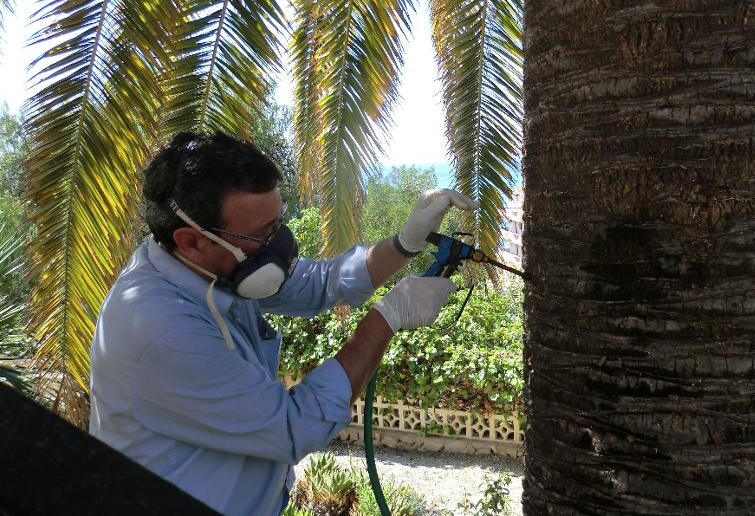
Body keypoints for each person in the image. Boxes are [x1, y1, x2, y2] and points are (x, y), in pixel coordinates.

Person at [89, 131, 477, 516]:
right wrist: (387, 318)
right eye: (263, 234)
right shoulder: (161, 330)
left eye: (277, 224)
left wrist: (405, 243)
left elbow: (322, 282)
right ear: (191, 241)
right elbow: (294, 426)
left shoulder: (213, 266)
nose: (279, 244)